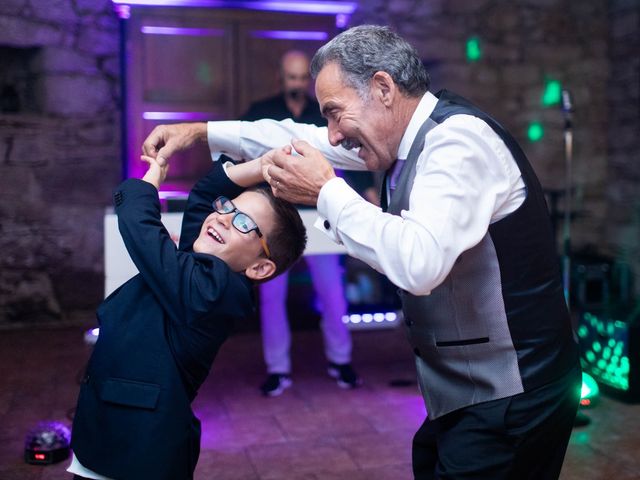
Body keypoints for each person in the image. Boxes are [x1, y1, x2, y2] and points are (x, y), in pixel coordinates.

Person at [142, 25, 581, 480]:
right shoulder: (399, 143)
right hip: (466, 393)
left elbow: (419, 264)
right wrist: (202, 131)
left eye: (335, 113)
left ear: (383, 88)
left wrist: (326, 190)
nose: (332, 136)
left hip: (515, 394)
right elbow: (298, 138)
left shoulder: (458, 142)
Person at [68, 153, 306, 480]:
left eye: (244, 223)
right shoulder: (200, 261)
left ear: (260, 266)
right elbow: (205, 196)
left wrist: (147, 182)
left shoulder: (216, 292)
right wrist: (261, 166)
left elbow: (142, 231)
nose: (223, 218)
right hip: (107, 429)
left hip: (140, 449)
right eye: (228, 207)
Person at [242, 50, 362, 396]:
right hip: (274, 217)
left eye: (300, 78)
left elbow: (349, 153)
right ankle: (278, 369)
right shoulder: (259, 113)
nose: (296, 85)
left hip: (319, 214)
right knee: (271, 294)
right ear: (281, 78)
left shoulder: (323, 113)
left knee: (332, 292)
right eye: (290, 78)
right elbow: (237, 154)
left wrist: (363, 193)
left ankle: (341, 360)